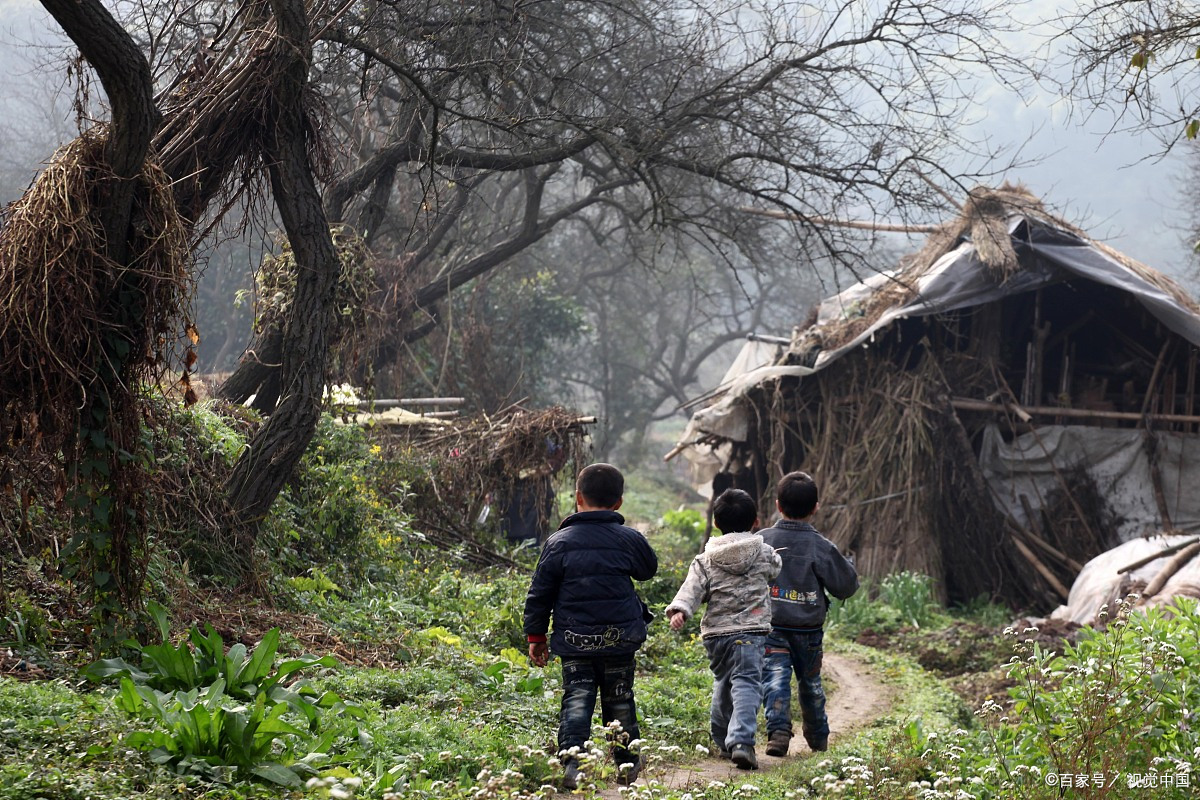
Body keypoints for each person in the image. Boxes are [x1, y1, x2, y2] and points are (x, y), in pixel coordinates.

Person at [523, 463, 658, 789]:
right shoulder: (629, 539)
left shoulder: (559, 542)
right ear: (619, 502)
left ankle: (572, 764)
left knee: (577, 698)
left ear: (578, 497)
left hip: (575, 641)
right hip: (619, 640)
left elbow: (540, 593)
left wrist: (536, 636)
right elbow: (647, 570)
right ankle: (627, 763)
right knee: (620, 698)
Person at [665, 488, 782, 771]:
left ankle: (721, 737)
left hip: (717, 635)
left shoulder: (705, 559)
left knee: (724, 681)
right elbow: (776, 568)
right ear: (756, 520)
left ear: (716, 523)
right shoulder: (763, 552)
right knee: (746, 683)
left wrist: (680, 609)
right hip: (751, 633)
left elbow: (692, 589)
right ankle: (741, 741)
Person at [758, 471, 858, 757]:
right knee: (811, 684)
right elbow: (846, 586)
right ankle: (818, 738)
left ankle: (778, 732)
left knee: (774, 680)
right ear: (815, 507)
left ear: (778, 505)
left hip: (771, 627)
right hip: (809, 632)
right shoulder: (822, 547)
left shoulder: (761, 541)